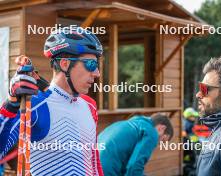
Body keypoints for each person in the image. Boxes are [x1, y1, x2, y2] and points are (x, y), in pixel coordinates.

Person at [0, 28, 104, 175]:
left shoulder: (89, 105)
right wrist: (11, 103)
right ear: (65, 64)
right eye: (91, 65)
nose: (97, 73)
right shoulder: (35, 104)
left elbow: (93, 161)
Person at [98, 114, 174, 176]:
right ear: (162, 128)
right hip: (106, 169)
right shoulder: (152, 132)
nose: (158, 144)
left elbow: (128, 166)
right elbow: (134, 166)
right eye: (162, 140)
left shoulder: (131, 124)